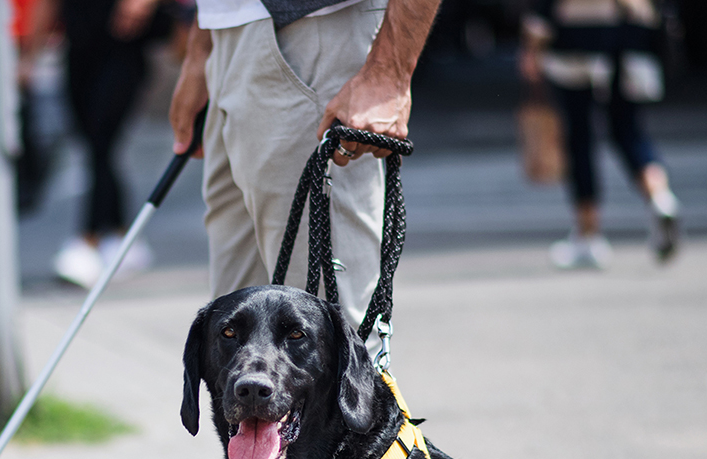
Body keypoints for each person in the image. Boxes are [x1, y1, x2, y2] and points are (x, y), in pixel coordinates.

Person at [168, 0, 441, 346]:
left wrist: (390, 70)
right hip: (227, 36)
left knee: (334, 351)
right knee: (236, 351)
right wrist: (202, 47)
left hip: (318, 34)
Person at [519, 0, 680, 270]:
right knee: (628, 131)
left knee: (580, 138)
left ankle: (588, 235)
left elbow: (543, 8)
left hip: (577, 41)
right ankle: (660, 198)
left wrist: (532, 46)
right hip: (629, 39)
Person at [24, 0, 170, 288]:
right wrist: (30, 56)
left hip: (122, 45)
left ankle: (87, 239)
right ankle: (122, 236)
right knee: (95, 147)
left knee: (101, 142)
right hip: (78, 48)